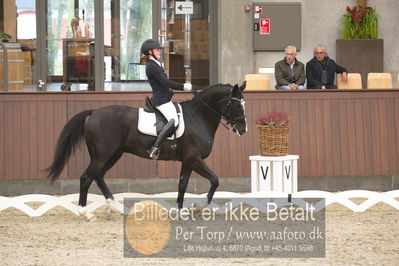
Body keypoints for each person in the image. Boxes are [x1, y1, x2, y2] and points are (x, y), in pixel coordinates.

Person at [141, 39, 192, 159]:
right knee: (174, 120)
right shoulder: (151, 66)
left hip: (165, 99)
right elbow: (164, 82)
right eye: (157, 50)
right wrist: (183, 87)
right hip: (160, 101)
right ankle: (155, 147)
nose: (159, 52)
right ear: (150, 52)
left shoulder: (156, 64)